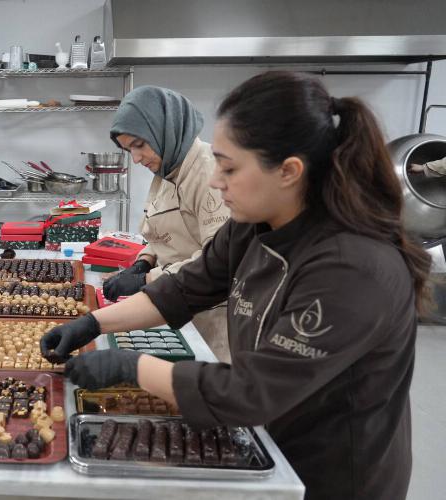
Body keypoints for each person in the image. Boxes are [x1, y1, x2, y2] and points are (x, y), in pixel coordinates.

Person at [41, 71, 430, 500]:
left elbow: (253, 391)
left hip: (332, 471)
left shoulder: (352, 269)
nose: (214, 180)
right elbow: (184, 287)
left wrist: (131, 368)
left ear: (288, 171)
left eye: (228, 167)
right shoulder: (253, 226)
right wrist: (94, 323)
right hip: (272, 437)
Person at [102, 86, 232, 361]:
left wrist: (146, 280)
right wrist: (144, 262)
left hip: (211, 320)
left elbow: (219, 262)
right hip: (178, 305)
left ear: (165, 130)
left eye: (139, 145)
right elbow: (162, 230)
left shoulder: (209, 174)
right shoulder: (168, 170)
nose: (136, 159)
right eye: (128, 149)